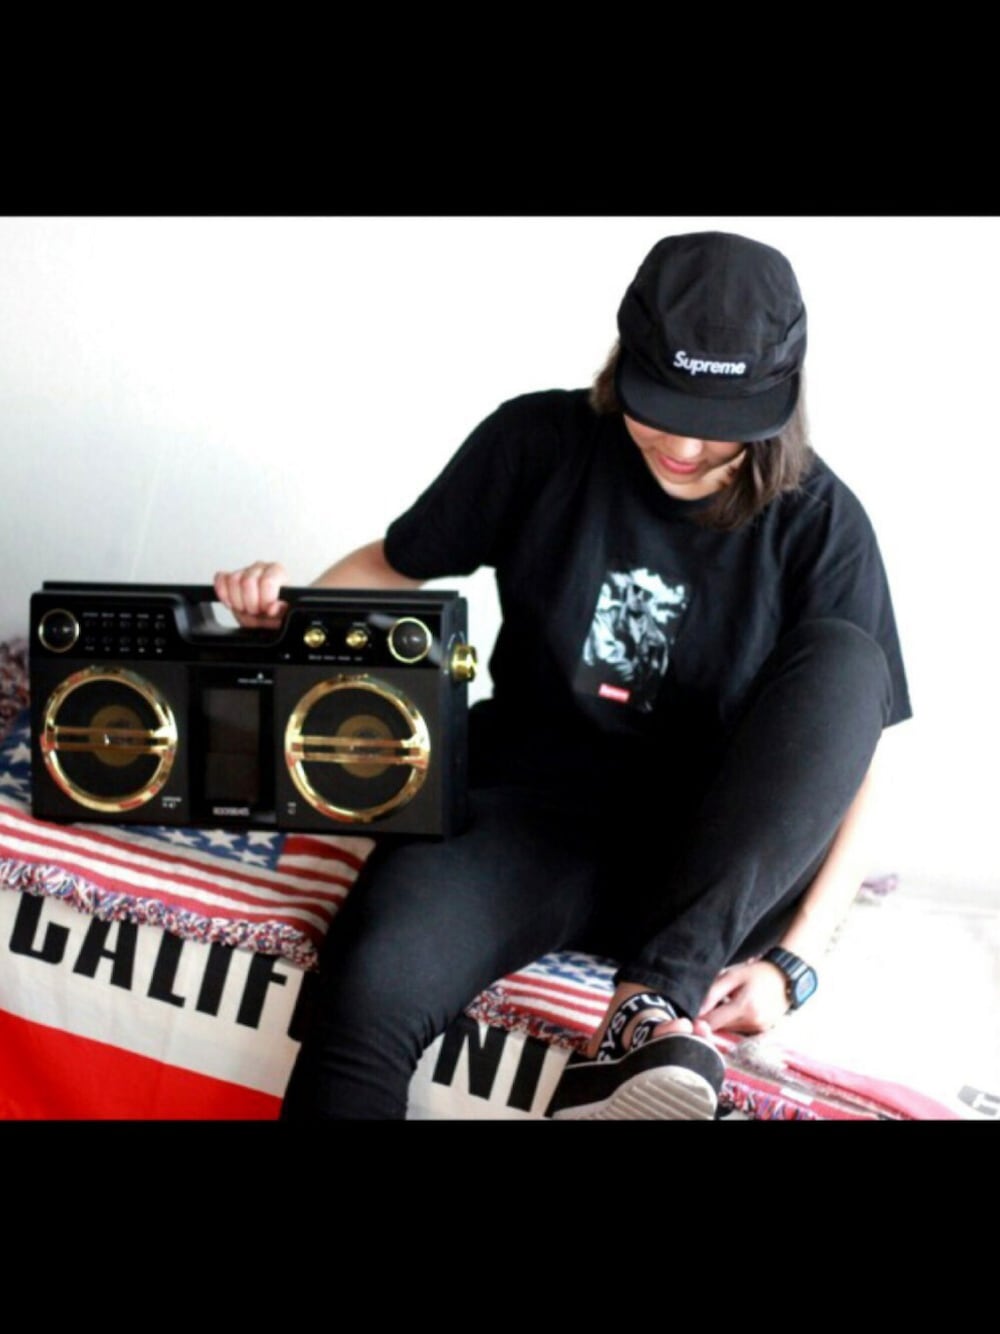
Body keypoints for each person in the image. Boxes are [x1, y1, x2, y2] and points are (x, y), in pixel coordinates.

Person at [215, 231, 911, 1121]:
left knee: (851, 662)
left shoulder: (823, 523)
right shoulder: (539, 440)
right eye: (659, 407)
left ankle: (645, 1015)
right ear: (625, 361)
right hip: (524, 816)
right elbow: (393, 567)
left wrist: (794, 965)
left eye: (718, 426)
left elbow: (859, 755)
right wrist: (290, 622)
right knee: (368, 992)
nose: (684, 446)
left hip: (710, 864)